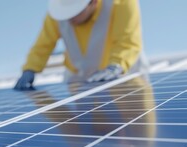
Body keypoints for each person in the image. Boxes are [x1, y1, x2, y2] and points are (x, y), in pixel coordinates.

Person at [14, 0, 147, 91]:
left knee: (132, 124)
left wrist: (117, 65)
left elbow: (127, 40)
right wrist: (30, 68)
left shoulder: (119, 3)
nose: (70, 19)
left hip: (122, 72)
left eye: (75, 13)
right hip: (79, 77)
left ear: (93, 2)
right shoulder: (59, 12)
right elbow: (43, 45)